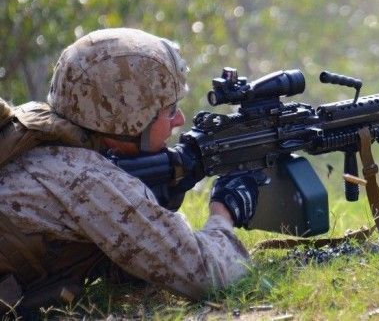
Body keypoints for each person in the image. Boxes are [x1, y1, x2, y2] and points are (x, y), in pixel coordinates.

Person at [0, 28, 259, 314]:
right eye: (170, 110)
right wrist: (224, 212)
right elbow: (206, 275)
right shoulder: (86, 178)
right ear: (132, 120)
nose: (179, 120)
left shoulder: (40, 139)